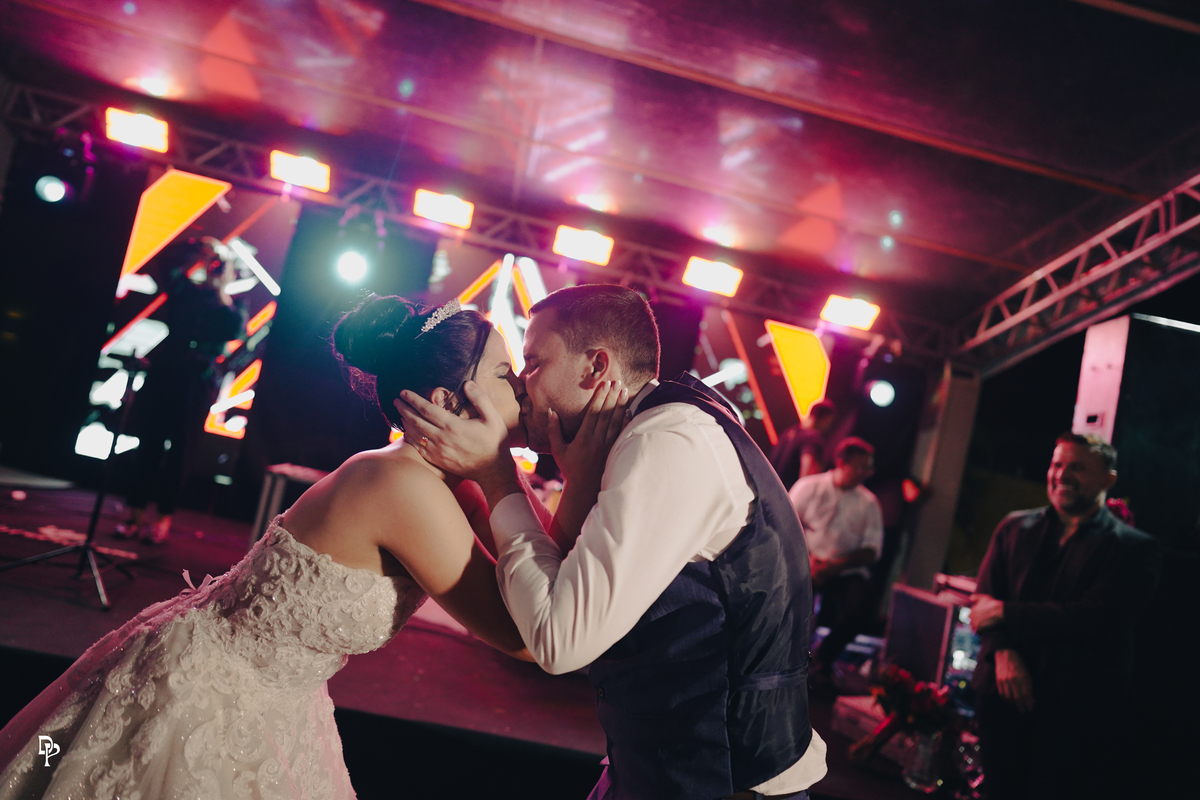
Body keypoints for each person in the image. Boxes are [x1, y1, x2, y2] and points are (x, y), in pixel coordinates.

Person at [0, 295, 622, 799]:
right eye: (505, 373)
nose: (523, 385)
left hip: (275, 700)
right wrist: (506, 470)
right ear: (445, 402)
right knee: (57, 764)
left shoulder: (452, 478)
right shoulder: (400, 484)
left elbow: (553, 568)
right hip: (201, 695)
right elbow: (531, 638)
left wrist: (574, 470)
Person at [397, 284, 828, 800]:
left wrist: (496, 475)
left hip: (723, 782)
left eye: (533, 363)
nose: (520, 385)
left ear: (596, 366)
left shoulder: (666, 440)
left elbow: (558, 641)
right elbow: (570, 589)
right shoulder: (659, 427)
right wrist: (576, 481)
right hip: (659, 770)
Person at [968, 432, 1160, 800]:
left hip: (1074, 715)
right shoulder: (1013, 527)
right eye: (1057, 464)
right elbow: (982, 605)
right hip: (1000, 702)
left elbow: (1094, 618)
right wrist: (1004, 653)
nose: (1062, 475)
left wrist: (1005, 612)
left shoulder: (1135, 549)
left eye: (1078, 467)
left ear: (1109, 479)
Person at [116, 238, 245, 543]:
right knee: (149, 444)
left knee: (180, 451)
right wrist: (197, 249)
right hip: (166, 372)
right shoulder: (187, 291)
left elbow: (235, 331)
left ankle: (163, 517)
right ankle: (134, 512)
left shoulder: (231, 304)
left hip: (198, 381)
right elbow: (167, 268)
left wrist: (221, 285)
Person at [787, 437, 883, 687]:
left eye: (868, 469)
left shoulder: (869, 503)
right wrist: (808, 558)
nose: (866, 474)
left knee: (862, 608)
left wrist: (834, 566)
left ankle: (821, 660)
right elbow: (784, 523)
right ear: (841, 462)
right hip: (803, 561)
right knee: (790, 598)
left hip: (844, 570)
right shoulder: (809, 486)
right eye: (860, 467)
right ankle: (785, 659)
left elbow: (872, 550)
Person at [769, 399, 836, 491]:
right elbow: (808, 472)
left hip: (768, 488)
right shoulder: (812, 438)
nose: (828, 427)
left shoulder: (789, 432)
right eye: (829, 422)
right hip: (787, 495)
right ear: (824, 418)